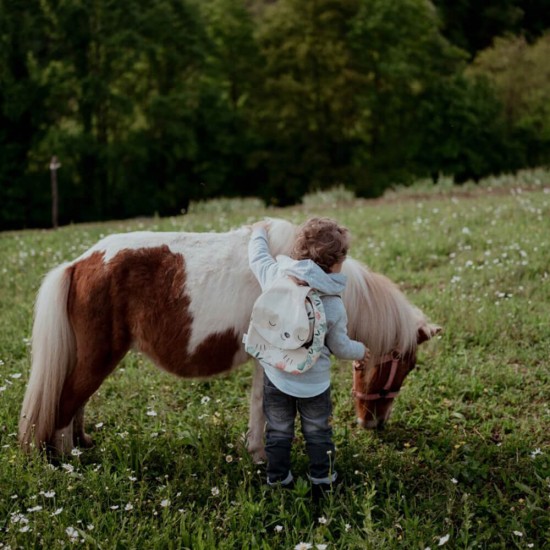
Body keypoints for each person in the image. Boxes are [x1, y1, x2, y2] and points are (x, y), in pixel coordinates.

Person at [248, 217, 370, 493]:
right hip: (314, 385)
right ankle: (322, 480)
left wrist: (258, 233)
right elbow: (340, 347)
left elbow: (257, 259)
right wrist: (361, 351)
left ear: (297, 252)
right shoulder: (334, 303)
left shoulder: (277, 277)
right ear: (338, 263)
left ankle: (278, 480)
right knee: (318, 433)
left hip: (277, 377)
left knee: (278, 432)